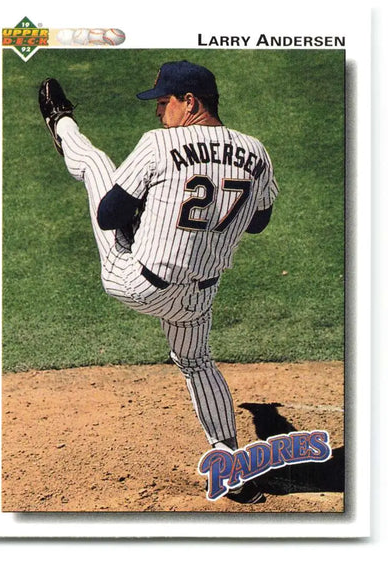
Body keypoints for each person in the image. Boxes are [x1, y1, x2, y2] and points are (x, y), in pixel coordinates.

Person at [38, 60, 279, 504]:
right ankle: (230, 468)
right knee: (197, 363)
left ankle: (61, 122)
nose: (157, 112)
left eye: (164, 102)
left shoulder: (158, 145)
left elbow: (109, 215)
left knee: (96, 167)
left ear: (191, 102)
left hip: (135, 280)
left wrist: (149, 210)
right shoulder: (257, 152)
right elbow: (259, 221)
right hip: (196, 300)